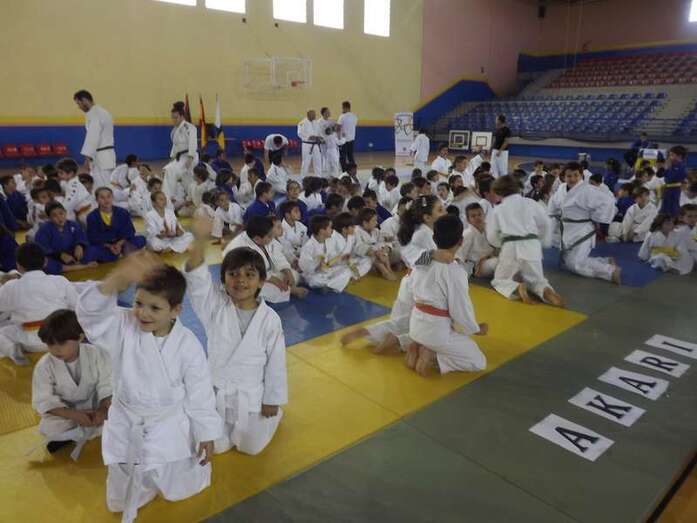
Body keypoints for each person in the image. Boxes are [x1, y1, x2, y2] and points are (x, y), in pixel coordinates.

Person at [76, 253, 222, 522]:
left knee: (178, 478)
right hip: (126, 417)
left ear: (176, 310)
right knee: (125, 476)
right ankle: (136, 491)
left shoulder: (187, 344)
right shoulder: (123, 325)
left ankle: (174, 481)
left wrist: (206, 433)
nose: (143, 313)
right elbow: (91, 316)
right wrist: (115, 280)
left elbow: (200, 393)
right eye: (138, 303)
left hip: (167, 421)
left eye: (155, 308)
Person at [184, 226, 287, 455]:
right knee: (217, 447)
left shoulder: (270, 319)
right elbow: (198, 286)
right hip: (217, 392)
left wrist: (272, 399)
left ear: (262, 281)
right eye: (233, 274)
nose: (240, 280)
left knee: (251, 448)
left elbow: (276, 362)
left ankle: (274, 417)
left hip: (250, 396)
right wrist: (198, 246)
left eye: (249, 275)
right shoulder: (215, 307)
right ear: (222, 280)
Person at [341, 195, 445, 354]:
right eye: (440, 210)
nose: (444, 213)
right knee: (424, 324)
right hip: (420, 283)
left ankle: (368, 332)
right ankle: (399, 341)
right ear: (427, 217)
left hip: (411, 281)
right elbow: (420, 259)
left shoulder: (421, 231)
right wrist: (437, 256)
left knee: (401, 321)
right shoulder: (423, 234)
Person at [407, 214, 488, 376]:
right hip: (436, 331)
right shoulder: (455, 271)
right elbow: (460, 309)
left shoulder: (422, 261)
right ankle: (432, 355)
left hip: (415, 323)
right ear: (461, 241)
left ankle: (418, 345)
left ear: (434, 238)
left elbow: (411, 281)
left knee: (447, 335)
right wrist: (475, 328)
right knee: (478, 361)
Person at [32, 309, 112, 459]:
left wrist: (102, 410)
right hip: (66, 413)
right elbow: (43, 400)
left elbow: (106, 384)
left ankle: (85, 431)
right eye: (50, 344)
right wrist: (73, 414)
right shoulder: (44, 365)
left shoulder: (96, 353)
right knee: (50, 428)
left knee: (123, 415)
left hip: (95, 406)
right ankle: (88, 431)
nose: (56, 349)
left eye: (62, 343)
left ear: (80, 337)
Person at [487, 175, 563, 306]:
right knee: (537, 280)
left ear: (499, 192)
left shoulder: (498, 210)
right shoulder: (531, 203)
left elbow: (492, 235)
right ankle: (546, 291)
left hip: (510, 247)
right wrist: (541, 241)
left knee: (500, 280)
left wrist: (499, 244)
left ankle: (516, 287)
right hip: (532, 246)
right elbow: (546, 223)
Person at [0, 243, 79, 365]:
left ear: (18, 266)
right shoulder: (60, 281)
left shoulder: (11, 287)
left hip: (30, 341)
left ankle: (12, 350)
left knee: (3, 331)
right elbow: (77, 307)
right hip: (61, 337)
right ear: (45, 262)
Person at [548, 162, 621, 285]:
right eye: (569, 176)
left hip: (583, 230)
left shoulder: (588, 190)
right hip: (567, 230)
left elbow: (608, 202)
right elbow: (553, 204)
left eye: (576, 175)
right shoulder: (561, 189)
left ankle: (610, 271)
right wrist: (551, 215)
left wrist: (595, 217)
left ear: (581, 175)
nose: (572, 179)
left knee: (574, 264)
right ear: (564, 177)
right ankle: (604, 261)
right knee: (566, 263)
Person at [223, 215, 306, 301]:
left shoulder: (265, 235)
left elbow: (278, 255)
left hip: (266, 271)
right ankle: (290, 291)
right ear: (257, 239)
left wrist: (287, 271)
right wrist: (274, 280)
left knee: (293, 275)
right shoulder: (239, 248)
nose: (272, 238)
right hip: (243, 278)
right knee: (262, 289)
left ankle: (286, 288)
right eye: (269, 236)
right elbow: (250, 272)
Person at [35, 202, 99, 274]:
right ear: (49, 218)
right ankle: (82, 266)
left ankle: (76, 264)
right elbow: (43, 249)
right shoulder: (43, 230)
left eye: (61, 213)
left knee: (92, 250)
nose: (59, 218)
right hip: (56, 258)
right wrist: (60, 255)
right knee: (46, 264)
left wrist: (80, 245)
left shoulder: (73, 224)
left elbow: (82, 238)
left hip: (73, 256)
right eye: (54, 216)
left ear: (65, 212)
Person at [86, 187, 146, 262]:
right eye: (102, 197)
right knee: (91, 251)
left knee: (141, 239)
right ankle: (122, 254)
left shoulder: (122, 212)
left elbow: (129, 231)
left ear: (112, 197)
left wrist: (119, 244)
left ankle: (117, 254)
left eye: (108, 196)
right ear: (97, 200)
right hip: (105, 246)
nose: (106, 200)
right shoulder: (92, 216)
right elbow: (93, 238)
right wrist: (109, 246)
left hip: (122, 243)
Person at [299, 215, 354, 293]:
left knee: (347, 270)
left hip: (327, 271)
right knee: (314, 281)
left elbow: (332, 260)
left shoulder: (329, 241)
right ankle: (333, 284)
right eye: (330, 228)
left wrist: (342, 258)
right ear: (322, 231)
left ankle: (328, 285)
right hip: (314, 274)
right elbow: (304, 265)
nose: (332, 230)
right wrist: (317, 266)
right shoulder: (308, 246)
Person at [74, 90, 115, 191]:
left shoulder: (95, 114)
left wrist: (87, 158)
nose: (79, 107)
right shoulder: (103, 112)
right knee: (105, 186)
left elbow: (93, 136)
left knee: (102, 188)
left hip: (100, 158)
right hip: (105, 155)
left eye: (79, 103)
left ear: (84, 100)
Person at [163, 101, 198, 204]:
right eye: (172, 118)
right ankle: (170, 198)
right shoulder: (175, 130)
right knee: (168, 171)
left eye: (176, 117)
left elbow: (193, 142)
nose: (173, 120)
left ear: (182, 116)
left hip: (188, 157)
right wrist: (172, 158)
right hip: (179, 158)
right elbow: (175, 146)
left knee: (172, 172)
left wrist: (190, 158)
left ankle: (170, 198)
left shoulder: (189, 127)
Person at [354, 208, 397, 280]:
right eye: (373, 221)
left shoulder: (375, 231)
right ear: (365, 223)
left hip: (377, 256)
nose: (376, 223)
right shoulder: (356, 231)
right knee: (373, 256)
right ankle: (385, 272)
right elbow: (358, 248)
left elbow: (381, 240)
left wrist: (384, 249)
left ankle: (389, 269)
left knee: (384, 250)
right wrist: (376, 252)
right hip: (359, 259)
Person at [459, 203, 498, 278]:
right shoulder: (467, 234)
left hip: (490, 258)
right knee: (497, 263)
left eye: (479, 214)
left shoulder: (489, 229)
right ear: (468, 220)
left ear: (484, 215)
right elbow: (460, 256)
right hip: (477, 266)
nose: (477, 217)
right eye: (473, 216)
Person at [56, 158, 93, 224]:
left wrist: (60, 212)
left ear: (71, 173)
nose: (58, 175)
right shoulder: (70, 182)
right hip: (83, 211)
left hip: (87, 212)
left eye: (61, 173)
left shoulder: (73, 185)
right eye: (58, 172)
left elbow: (70, 202)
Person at [659, 145, 688, 217]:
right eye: (669, 155)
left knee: (672, 211)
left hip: (674, 191)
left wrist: (668, 168)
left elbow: (669, 179)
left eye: (672, 155)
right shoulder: (672, 165)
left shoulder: (682, 167)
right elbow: (662, 176)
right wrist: (666, 168)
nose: (669, 157)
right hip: (667, 190)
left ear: (679, 156)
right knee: (664, 211)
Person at [278, 200, 308, 265]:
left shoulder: (302, 226)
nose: (299, 213)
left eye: (299, 211)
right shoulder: (280, 229)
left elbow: (306, 244)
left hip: (303, 257)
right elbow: (285, 250)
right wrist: (295, 259)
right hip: (287, 261)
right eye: (296, 211)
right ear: (287, 215)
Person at [297, 110, 323, 178]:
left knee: (318, 161)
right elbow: (300, 134)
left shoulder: (316, 123)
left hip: (316, 144)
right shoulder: (302, 123)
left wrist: (320, 137)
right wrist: (309, 137)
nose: (315, 116)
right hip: (307, 145)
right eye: (313, 114)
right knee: (306, 162)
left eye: (315, 114)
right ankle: (303, 178)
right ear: (308, 115)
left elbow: (319, 132)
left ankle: (319, 177)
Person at [337, 100, 358, 171]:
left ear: (345, 108)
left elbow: (338, 128)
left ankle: (344, 171)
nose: (342, 109)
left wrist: (338, 139)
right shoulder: (354, 116)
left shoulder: (342, 116)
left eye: (342, 108)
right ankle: (353, 170)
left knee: (342, 156)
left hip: (343, 140)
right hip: (351, 139)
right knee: (350, 156)